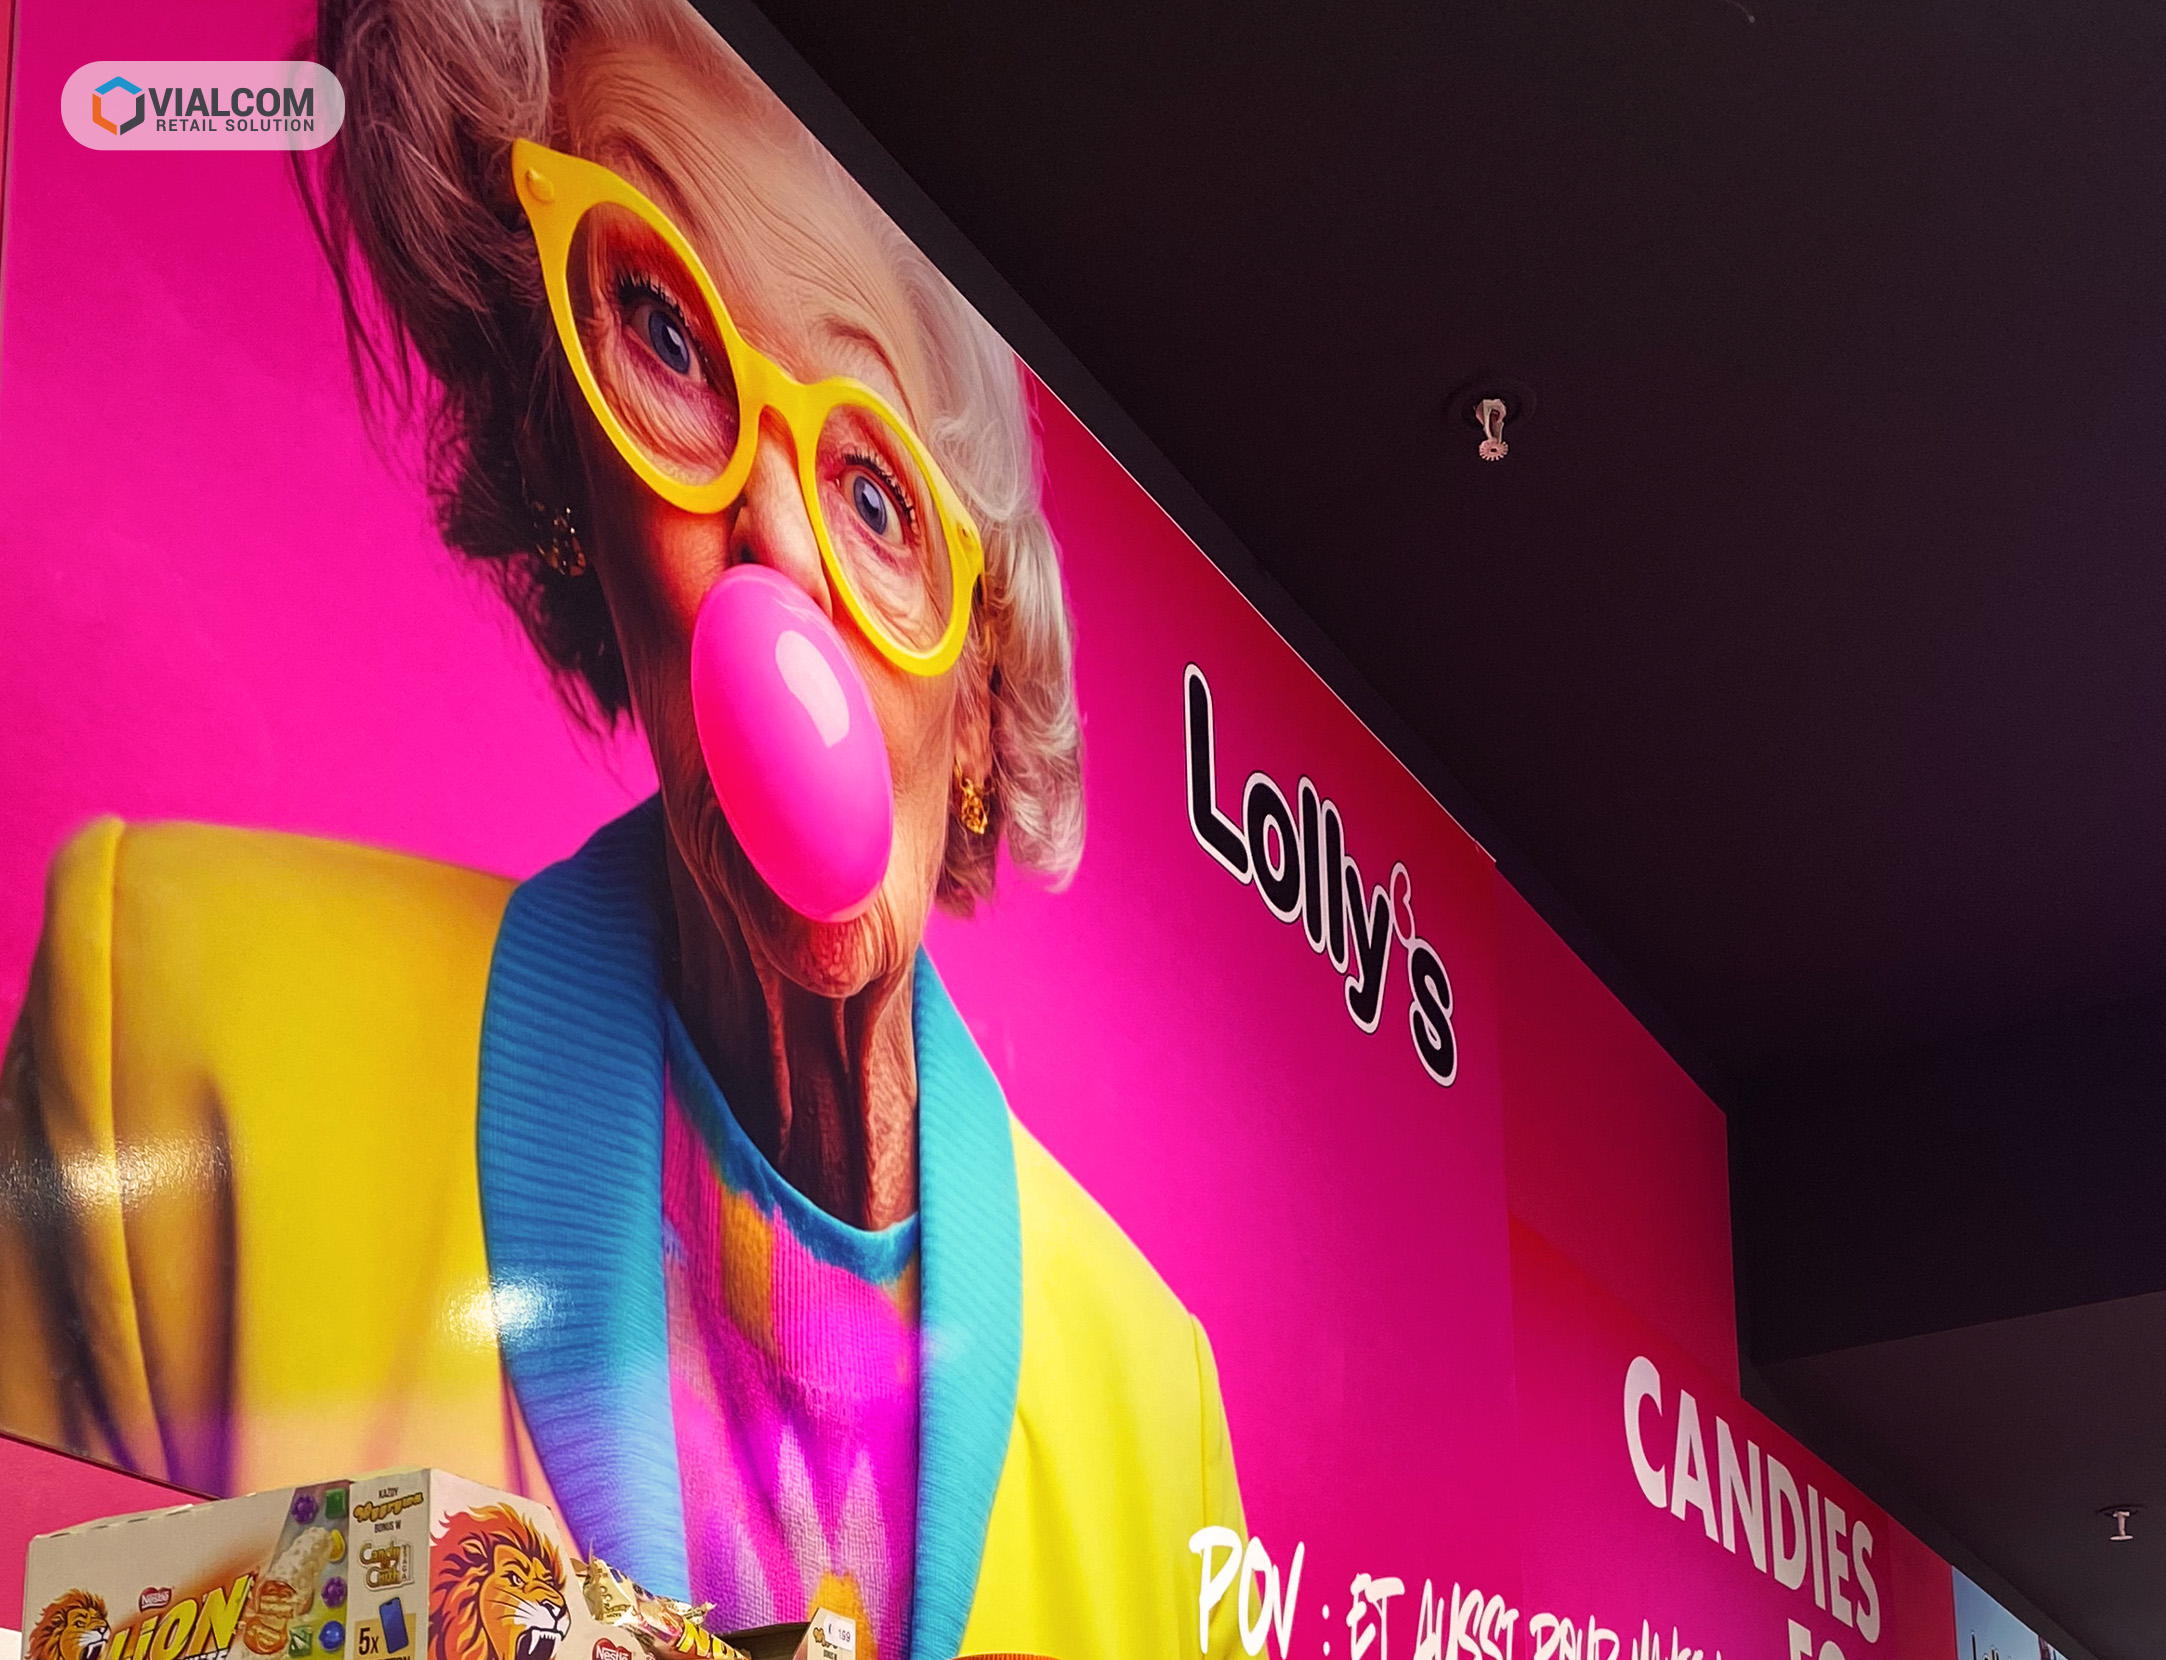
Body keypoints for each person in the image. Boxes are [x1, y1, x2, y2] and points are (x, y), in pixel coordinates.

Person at [0, 2, 1247, 1655]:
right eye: (668, 338)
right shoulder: (171, 1034)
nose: (776, 544)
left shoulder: (1156, 1400)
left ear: (983, 706)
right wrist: (368, 1610)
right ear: (568, 467)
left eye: (876, 498)